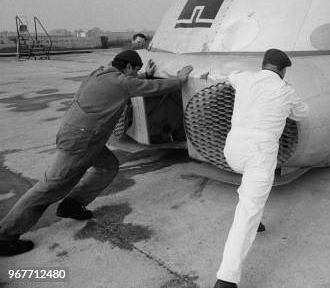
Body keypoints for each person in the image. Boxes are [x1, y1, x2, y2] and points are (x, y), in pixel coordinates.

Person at [0, 50, 193, 257]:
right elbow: (153, 88)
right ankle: (5, 235)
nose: (136, 73)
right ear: (127, 67)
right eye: (135, 70)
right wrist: (179, 80)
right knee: (51, 186)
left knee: (108, 166)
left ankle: (72, 205)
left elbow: (130, 84)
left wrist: (143, 75)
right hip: (81, 141)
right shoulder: (121, 83)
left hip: (81, 135)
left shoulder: (99, 73)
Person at [205, 48, 309, 288]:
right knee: (248, 210)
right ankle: (226, 279)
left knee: (250, 189)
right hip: (259, 153)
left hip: (232, 150)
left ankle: (256, 219)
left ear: (263, 65)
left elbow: (226, 76)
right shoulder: (285, 90)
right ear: (283, 71)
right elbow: (303, 113)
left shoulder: (244, 77)